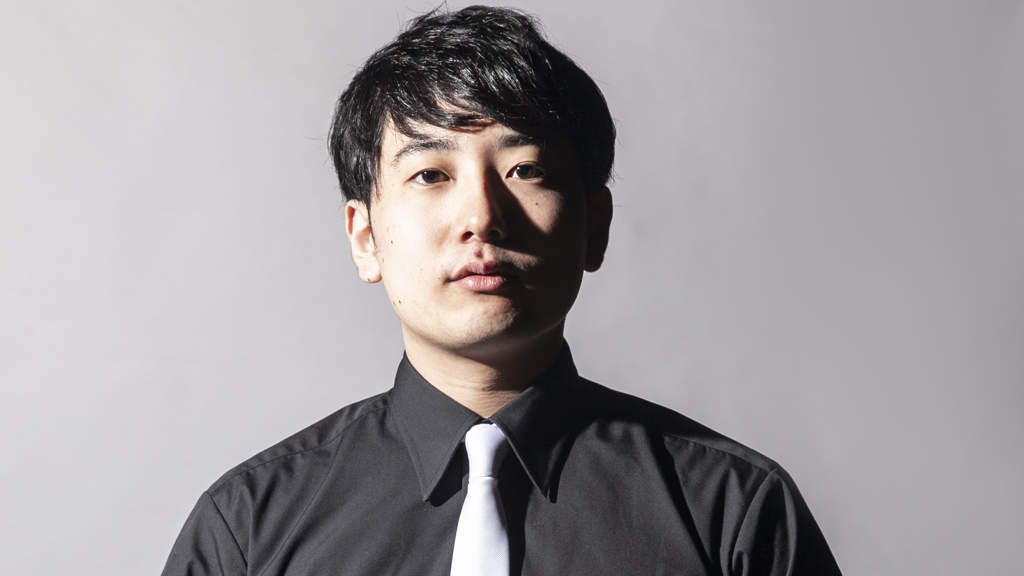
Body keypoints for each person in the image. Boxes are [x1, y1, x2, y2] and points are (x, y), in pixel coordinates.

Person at [161, 5, 841, 575]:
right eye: (431, 174)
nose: (482, 217)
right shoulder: (248, 526)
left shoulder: (733, 511)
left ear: (595, 226)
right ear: (364, 237)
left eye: (525, 169)